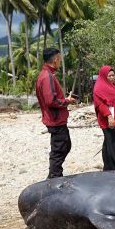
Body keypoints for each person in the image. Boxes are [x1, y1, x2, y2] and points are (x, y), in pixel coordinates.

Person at [35, 47, 76, 179]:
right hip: (55, 119)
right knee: (59, 150)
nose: (60, 62)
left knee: (64, 146)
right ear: (56, 59)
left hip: (55, 119)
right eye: (60, 59)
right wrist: (67, 101)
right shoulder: (47, 77)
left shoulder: (46, 75)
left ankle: (54, 174)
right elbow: (51, 100)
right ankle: (54, 177)